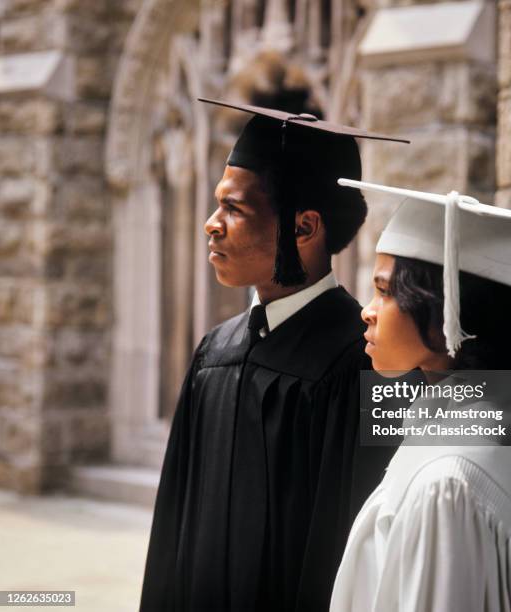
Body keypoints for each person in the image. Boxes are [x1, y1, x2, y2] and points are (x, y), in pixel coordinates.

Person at [139, 100, 416, 611]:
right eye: (217, 204)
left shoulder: (362, 367)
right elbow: (171, 532)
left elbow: (354, 563)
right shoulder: (213, 354)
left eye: (234, 208)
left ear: (304, 228)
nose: (211, 224)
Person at [330, 180, 511, 612]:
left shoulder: (449, 481)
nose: (368, 309)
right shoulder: (496, 433)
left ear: (445, 311)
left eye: (384, 290)